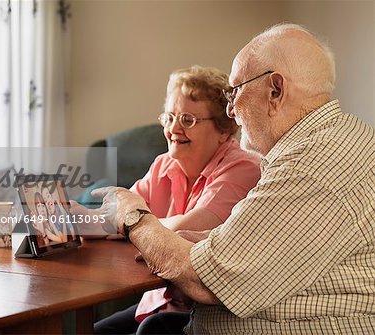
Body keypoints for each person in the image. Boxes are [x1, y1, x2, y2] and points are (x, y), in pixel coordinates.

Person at [93, 23, 375, 334]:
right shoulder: (316, 147)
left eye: (235, 91)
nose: (231, 109)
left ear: (275, 91)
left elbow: (207, 280)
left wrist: (135, 218)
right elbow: (252, 248)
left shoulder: (316, 163)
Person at [84, 65, 261, 334]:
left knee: (152, 330)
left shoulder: (244, 168)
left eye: (188, 120)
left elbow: (191, 227)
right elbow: (117, 214)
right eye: (169, 117)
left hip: (208, 312)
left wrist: (133, 222)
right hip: (161, 300)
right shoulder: (163, 164)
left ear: (223, 130)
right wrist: (67, 220)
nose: (173, 128)